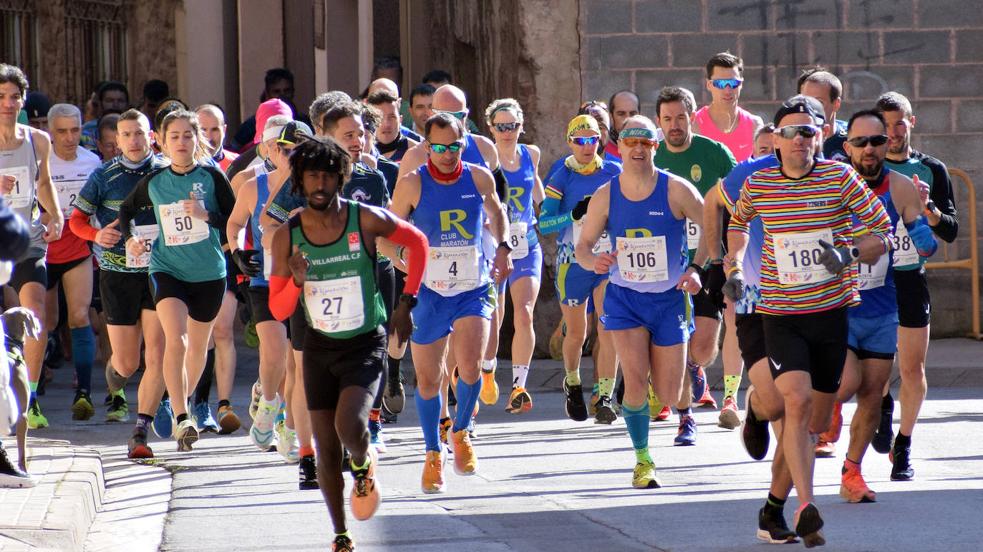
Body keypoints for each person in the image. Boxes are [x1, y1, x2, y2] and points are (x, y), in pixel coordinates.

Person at [723, 95, 893, 546]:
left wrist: (850, 253)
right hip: (781, 313)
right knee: (794, 402)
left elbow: (883, 232)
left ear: (820, 136)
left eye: (810, 131)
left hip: (831, 313)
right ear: (776, 140)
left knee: (815, 419)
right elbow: (737, 223)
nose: (802, 139)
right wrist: (734, 263)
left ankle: (773, 508)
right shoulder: (759, 183)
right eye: (792, 132)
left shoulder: (840, 177)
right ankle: (807, 507)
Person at [267, 135, 428, 552]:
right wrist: (297, 282)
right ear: (300, 183)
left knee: (350, 427)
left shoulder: (365, 219)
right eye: (311, 176)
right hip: (319, 345)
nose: (319, 184)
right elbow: (279, 307)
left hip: (364, 343)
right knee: (324, 447)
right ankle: (340, 533)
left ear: (340, 178)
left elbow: (418, 243)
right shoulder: (287, 236)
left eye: (326, 175)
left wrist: (406, 303)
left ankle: (362, 462)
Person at [576, 115, 706, 489]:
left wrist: (696, 268)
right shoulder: (605, 194)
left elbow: (712, 231)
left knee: (665, 393)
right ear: (619, 146)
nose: (636, 148)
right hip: (625, 299)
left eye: (644, 142)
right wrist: (593, 261)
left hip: (669, 300)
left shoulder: (676, 190)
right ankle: (643, 459)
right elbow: (584, 247)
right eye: (629, 141)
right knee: (633, 380)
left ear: (655, 146)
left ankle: (678, 377)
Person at [389, 112, 511, 492]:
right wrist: (402, 260)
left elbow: (498, 211)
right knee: (429, 378)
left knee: (471, 367)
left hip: (472, 287)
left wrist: (503, 247)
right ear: (427, 147)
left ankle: (460, 432)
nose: (446, 154)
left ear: (464, 141)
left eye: (453, 146)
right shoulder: (411, 184)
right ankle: (432, 453)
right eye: (438, 147)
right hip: (428, 291)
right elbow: (389, 234)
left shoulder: (478, 176)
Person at [827, 109, 937, 504]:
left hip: (881, 307)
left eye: (878, 141)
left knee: (873, 392)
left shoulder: (903, 186)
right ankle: (827, 411)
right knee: (845, 385)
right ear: (848, 147)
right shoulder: (831, 184)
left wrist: (922, 230)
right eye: (862, 142)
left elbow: (926, 244)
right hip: (836, 306)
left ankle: (852, 471)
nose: (871, 149)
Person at [118, 110, 236, 451]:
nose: (181, 142)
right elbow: (126, 211)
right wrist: (130, 239)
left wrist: (206, 216)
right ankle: (183, 416)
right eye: (174, 136)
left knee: (198, 348)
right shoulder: (154, 181)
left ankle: (180, 400)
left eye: (188, 136)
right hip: (167, 269)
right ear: (162, 141)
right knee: (177, 340)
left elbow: (233, 219)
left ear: (197, 139)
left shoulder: (213, 177)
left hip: (209, 274)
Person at [71, 108, 170, 458]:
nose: (133, 140)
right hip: (117, 274)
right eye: (126, 135)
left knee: (156, 354)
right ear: (116, 139)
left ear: (152, 136)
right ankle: (116, 375)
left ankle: (141, 430)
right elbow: (77, 221)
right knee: (127, 363)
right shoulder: (104, 175)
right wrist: (98, 235)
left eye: (139, 133)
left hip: (160, 273)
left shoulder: (166, 171)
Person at [874, 91, 958, 480]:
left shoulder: (931, 168)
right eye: (885, 125)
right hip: (871, 281)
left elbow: (951, 231)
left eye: (899, 124)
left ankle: (903, 445)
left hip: (910, 278)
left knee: (912, 368)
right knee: (870, 369)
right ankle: (881, 404)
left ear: (912, 122)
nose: (892, 133)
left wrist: (929, 211)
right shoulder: (864, 168)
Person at [652, 86, 739, 441]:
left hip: (708, 261)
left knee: (703, 347)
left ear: (693, 117)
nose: (674, 125)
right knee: (672, 338)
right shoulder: (651, 155)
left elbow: (739, 202)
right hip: (664, 267)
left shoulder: (715, 153)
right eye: (667, 119)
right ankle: (684, 414)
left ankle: (693, 366)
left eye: (681, 117)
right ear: (659, 121)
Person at [538, 114, 622, 423]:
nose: (587, 147)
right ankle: (572, 382)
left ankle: (604, 396)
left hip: (605, 260)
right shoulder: (561, 175)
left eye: (592, 140)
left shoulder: (614, 170)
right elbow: (544, 223)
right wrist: (572, 215)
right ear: (570, 142)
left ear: (600, 140)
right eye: (580, 141)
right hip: (572, 262)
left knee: (608, 325)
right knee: (577, 331)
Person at [0, 64, 63, 431]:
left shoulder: (38, 141)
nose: (8, 104)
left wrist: (55, 214)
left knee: (35, 311)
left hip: (27, 240)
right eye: (1, 97)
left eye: (14, 97)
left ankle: (31, 395)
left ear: (23, 100)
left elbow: (44, 182)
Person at [43, 104, 103, 422]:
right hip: (44, 249)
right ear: (50, 132)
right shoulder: (42, 160)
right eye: (62, 131)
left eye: (75, 130)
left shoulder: (92, 162)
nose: (69, 138)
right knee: (47, 323)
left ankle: (85, 392)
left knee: (80, 317)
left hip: (78, 246)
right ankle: (34, 392)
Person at [485, 98, 544, 413]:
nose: (508, 132)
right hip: (495, 247)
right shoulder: (485, 158)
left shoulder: (531, 154)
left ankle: (519, 387)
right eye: (501, 126)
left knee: (524, 313)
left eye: (513, 126)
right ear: (491, 128)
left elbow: (540, 198)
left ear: (522, 126)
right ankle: (488, 368)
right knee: (495, 317)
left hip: (526, 245)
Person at [692, 52, 762, 162]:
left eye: (733, 83)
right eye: (720, 84)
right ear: (709, 85)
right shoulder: (694, 124)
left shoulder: (755, 124)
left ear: (741, 84)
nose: (727, 90)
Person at [797, 67, 848, 162]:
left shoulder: (853, 139)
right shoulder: (792, 139)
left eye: (819, 102)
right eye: (805, 101)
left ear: (836, 104)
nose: (810, 108)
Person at [366, 91, 419, 163]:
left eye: (392, 117)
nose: (387, 124)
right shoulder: (361, 152)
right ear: (370, 122)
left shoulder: (417, 152)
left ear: (400, 120)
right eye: (379, 118)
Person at [81, 81, 129, 153]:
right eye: (109, 101)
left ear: (127, 105)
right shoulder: (86, 130)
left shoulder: (136, 130)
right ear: (100, 103)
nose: (115, 105)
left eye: (120, 101)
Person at [196, 104, 239, 173]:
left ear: (224, 130)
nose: (209, 137)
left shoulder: (238, 163)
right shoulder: (180, 166)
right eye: (202, 130)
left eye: (215, 130)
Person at [605, 90, 640, 159]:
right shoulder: (601, 151)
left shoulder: (650, 149)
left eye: (633, 114)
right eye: (621, 114)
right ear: (611, 117)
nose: (627, 119)